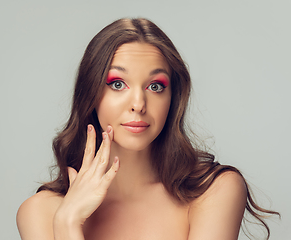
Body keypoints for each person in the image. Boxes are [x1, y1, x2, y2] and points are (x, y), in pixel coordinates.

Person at [16, 18, 279, 240]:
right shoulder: (43, 212)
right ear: (90, 93)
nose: (139, 104)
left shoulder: (213, 191)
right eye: (118, 84)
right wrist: (68, 223)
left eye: (155, 86)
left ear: (173, 98)